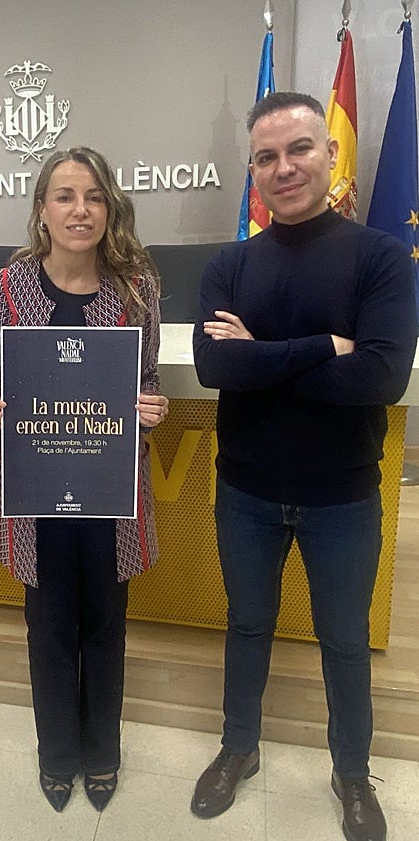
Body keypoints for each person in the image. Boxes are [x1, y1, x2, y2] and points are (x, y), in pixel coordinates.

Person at [191, 91, 417, 841]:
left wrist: (259, 357)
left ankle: (351, 772)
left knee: (344, 639)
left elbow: (380, 378)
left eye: (298, 149)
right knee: (247, 624)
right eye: (266, 156)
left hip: (341, 496)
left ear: (329, 154)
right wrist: (324, 347)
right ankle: (239, 747)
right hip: (246, 490)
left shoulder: (380, 258)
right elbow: (215, 366)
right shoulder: (230, 263)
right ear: (253, 170)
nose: (283, 167)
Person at [0, 146, 168, 812]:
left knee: (105, 628)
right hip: (38, 497)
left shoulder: (137, 287)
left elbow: (147, 377)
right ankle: (57, 754)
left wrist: (151, 406)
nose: (79, 209)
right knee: (49, 628)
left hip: (109, 495)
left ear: (109, 207)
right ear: (41, 209)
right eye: (64, 196)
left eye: (92, 196)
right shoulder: (5, 287)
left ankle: (102, 751)